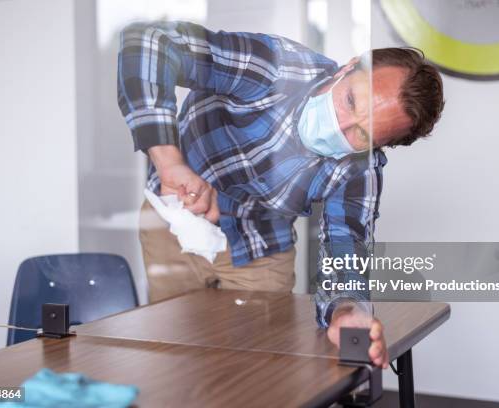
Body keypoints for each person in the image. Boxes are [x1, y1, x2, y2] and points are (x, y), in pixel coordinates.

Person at [117, 21, 444, 369]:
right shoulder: (274, 67)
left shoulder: (359, 169)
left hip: (260, 248)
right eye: (350, 100)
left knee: (252, 370)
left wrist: (348, 310)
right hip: (173, 220)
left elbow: (344, 249)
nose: (339, 124)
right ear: (349, 67)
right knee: (170, 357)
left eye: (362, 134)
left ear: (378, 147)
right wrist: (170, 163)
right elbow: (149, 41)